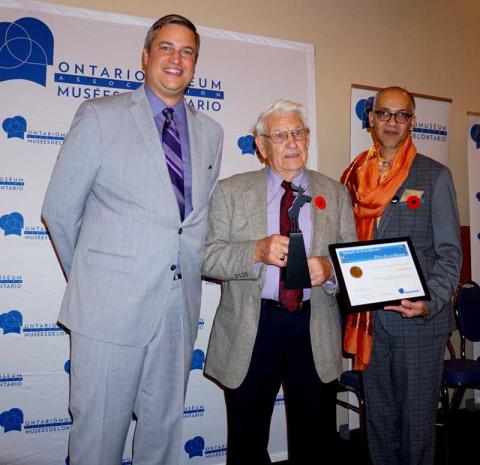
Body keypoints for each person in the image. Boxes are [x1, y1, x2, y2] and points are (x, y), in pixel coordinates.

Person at [42, 14, 223, 465]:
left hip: (178, 309)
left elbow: (191, 222)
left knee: (162, 435)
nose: (176, 59)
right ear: (145, 56)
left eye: (187, 51)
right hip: (108, 310)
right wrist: (98, 278)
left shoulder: (211, 133)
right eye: (166, 47)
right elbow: (60, 211)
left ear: (195, 63)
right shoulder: (100, 116)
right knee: (99, 438)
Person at [202, 99, 357, 465]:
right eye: (280, 135)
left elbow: (352, 259)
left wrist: (331, 269)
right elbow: (205, 257)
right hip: (252, 326)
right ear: (260, 145)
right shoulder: (230, 191)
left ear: (308, 138)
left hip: (313, 325)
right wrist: (254, 251)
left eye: (298, 133)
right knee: (247, 437)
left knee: (316, 438)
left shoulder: (334, 193)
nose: (292, 143)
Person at [341, 86, 461, 465]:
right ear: (371, 118)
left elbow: (449, 254)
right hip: (371, 320)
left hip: (419, 324)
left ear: (413, 122)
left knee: (417, 425)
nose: (392, 122)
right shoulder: (353, 176)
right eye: (384, 113)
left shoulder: (435, 176)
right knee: (379, 422)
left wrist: (431, 302)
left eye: (402, 115)